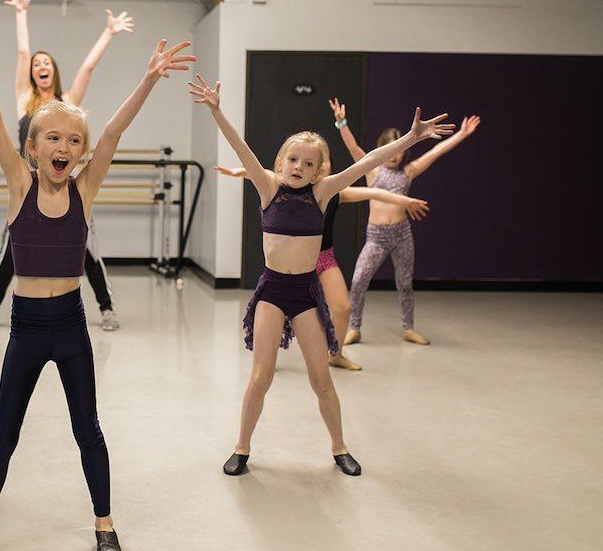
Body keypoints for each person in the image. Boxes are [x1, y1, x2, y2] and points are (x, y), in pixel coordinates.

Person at [0, 21, 194, 551]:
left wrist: (150, 80)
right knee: (4, 432)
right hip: (26, 328)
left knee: (87, 427)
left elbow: (111, 132)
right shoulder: (20, 185)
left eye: (73, 141)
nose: (64, 147)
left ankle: (104, 524)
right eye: (53, 139)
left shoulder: (85, 187)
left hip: (70, 326)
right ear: (32, 148)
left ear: (81, 153)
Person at [190, 76, 452, 477]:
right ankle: (242, 448)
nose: (299, 167)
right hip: (273, 292)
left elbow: (368, 161)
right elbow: (241, 148)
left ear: (318, 171)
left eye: (308, 163)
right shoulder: (267, 187)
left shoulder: (324, 192)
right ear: (281, 162)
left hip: (305, 294)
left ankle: (339, 447)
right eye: (292, 159)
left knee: (321, 378)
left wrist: (412, 139)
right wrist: (215, 109)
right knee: (261, 376)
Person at [0, 0, 131, 332]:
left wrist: (108, 33)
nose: (40, 66)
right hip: (28, 187)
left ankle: (106, 308)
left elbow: (88, 68)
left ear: (53, 70)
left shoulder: (68, 99)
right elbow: (21, 53)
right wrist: (20, 13)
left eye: (46, 63)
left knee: (87, 250)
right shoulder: (23, 100)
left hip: (67, 186)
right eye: (37, 64)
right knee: (9, 251)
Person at [215, 158, 430, 372]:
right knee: (280, 312)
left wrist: (405, 201)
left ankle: (335, 356)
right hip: (295, 261)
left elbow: (373, 193)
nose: (322, 166)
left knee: (343, 308)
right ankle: (267, 359)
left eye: (322, 163)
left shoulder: (335, 194)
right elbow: (260, 172)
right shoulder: (285, 188)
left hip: (324, 258)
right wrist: (237, 172)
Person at [333, 98, 481, 346]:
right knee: (359, 280)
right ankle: (354, 327)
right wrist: (341, 123)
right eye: (391, 148)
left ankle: (408, 328)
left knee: (405, 282)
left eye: (400, 149)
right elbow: (353, 147)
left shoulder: (408, 172)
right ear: (383, 149)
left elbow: (436, 151)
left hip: (401, 235)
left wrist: (462, 135)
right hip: (376, 237)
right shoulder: (372, 170)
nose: (396, 154)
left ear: (404, 150)